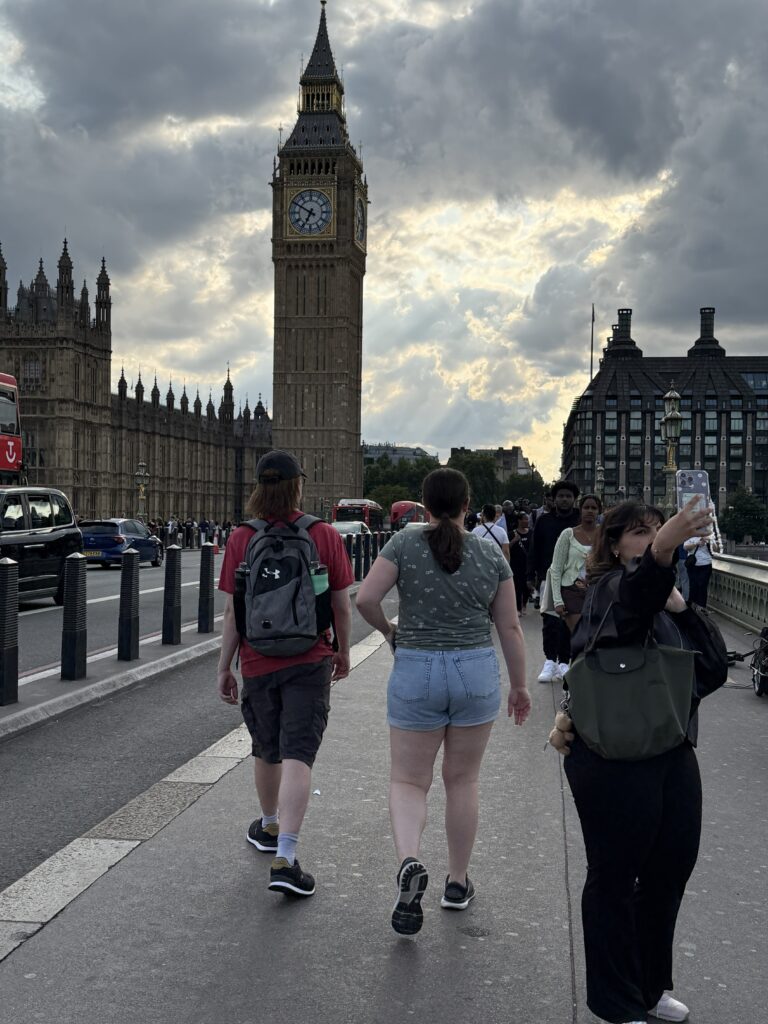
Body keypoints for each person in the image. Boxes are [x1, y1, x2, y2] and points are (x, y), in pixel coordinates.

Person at [553, 498, 721, 1024]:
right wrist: (666, 550)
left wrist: (682, 608)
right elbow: (634, 596)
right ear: (615, 544)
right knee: (615, 876)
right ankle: (615, 999)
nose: (651, 539)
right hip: (609, 758)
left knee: (670, 870)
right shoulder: (607, 590)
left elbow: (712, 669)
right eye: (641, 533)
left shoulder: (662, 600)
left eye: (656, 532)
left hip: (668, 751)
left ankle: (650, 986)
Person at [356, 468, 530, 935]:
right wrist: (519, 685)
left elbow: (366, 599)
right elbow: (510, 627)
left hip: (417, 667)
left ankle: (410, 861)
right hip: (474, 668)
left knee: (410, 782)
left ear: (424, 505)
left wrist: (391, 632)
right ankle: (456, 883)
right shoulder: (490, 553)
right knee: (463, 781)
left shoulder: (404, 544)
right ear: (467, 504)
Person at [216, 450, 353, 898]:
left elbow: (235, 612)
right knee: (299, 754)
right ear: (299, 486)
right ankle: (286, 858)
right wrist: (342, 650)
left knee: (266, 748)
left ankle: (269, 825)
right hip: (309, 657)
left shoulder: (241, 537)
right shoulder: (323, 534)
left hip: (257, 660)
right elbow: (338, 602)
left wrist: (225, 666)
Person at [527, 481, 580, 682]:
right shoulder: (543, 521)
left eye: (568, 496)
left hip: (575, 580)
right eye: (560, 496)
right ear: (554, 498)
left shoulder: (580, 520)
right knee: (550, 621)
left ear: (574, 499)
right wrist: (530, 575)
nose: (564, 499)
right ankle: (550, 661)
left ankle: (565, 662)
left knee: (569, 621)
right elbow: (534, 549)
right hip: (548, 577)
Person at [550, 494, 602, 633]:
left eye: (594, 508)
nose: (590, 511)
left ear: (599, 511)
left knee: (596, 636)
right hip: (572, 590)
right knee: (580, 635)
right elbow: (556, 569)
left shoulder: (604, 535)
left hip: (597, 591)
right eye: (586, 507)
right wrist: (558, 601)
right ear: (580, 510)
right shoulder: (568, 534)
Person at [508, 511, 532, 614]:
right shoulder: (512, 533)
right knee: (517, 586)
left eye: (527, 519)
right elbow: (506, 548)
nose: (527, 521)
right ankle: (518, 608)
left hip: (528, 564)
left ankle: (524, 604)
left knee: (527, 587)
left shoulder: (531, 532)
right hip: (515, 564)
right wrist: (514, 540)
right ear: (519, 520)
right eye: (525, 519)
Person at [684, 535, 712, 607]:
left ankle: (701, 606)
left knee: (702, 586)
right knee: (693, 586)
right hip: (693, 565)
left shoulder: (709, 537)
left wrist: (710, 542)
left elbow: (716, 549)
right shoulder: (690, 536)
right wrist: (696, 543)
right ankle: (692, 606)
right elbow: (685, 547)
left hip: (706, 564)